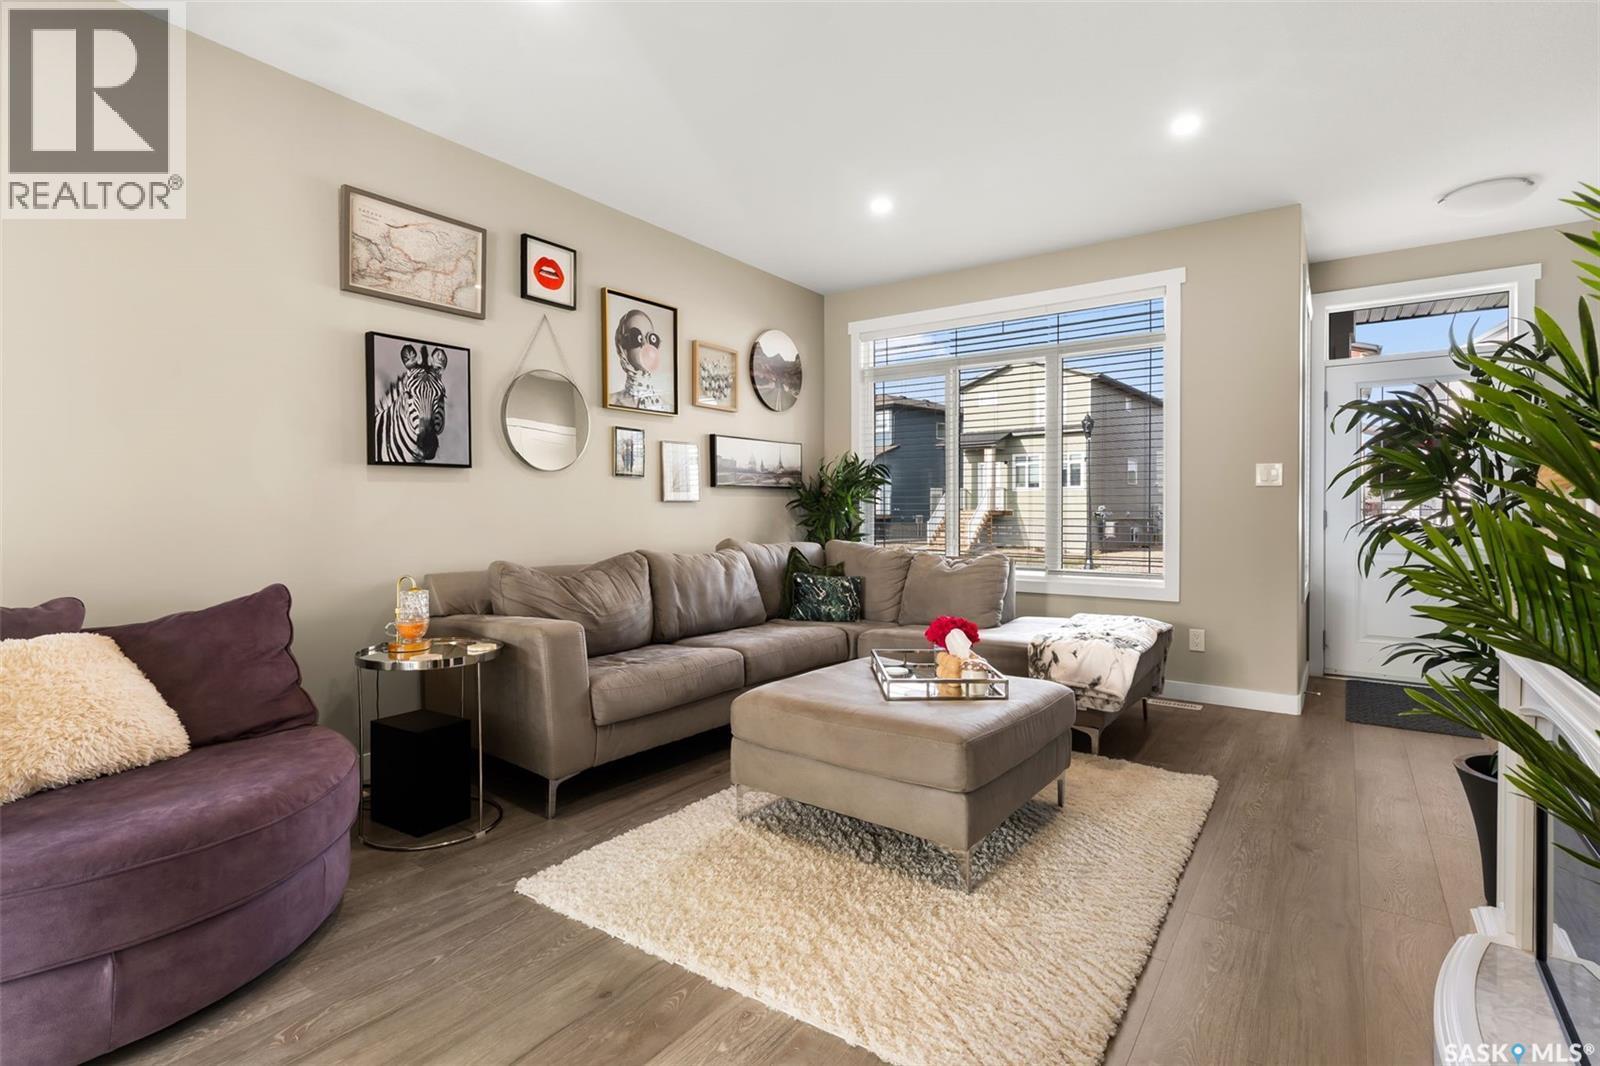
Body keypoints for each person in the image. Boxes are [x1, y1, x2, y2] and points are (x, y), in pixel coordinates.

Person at [609, 309, 667, 410]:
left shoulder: (667, 407)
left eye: (651, 338)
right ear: (622, 347)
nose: (645, 344)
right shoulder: (611, 400)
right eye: (636, 337)